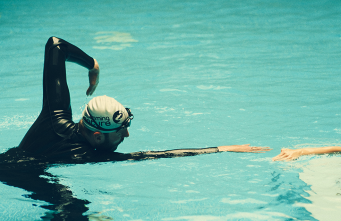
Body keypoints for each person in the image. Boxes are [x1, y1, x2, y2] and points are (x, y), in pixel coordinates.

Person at [16, 36, 270, 163]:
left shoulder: (54, 116)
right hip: (27, 178)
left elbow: (55, 45)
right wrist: (221, 149)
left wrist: (93, 65)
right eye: (120, 133)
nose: (126, 137)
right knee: (73, 206)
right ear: (96, 137)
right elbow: (157, 155)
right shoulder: (88, 154)